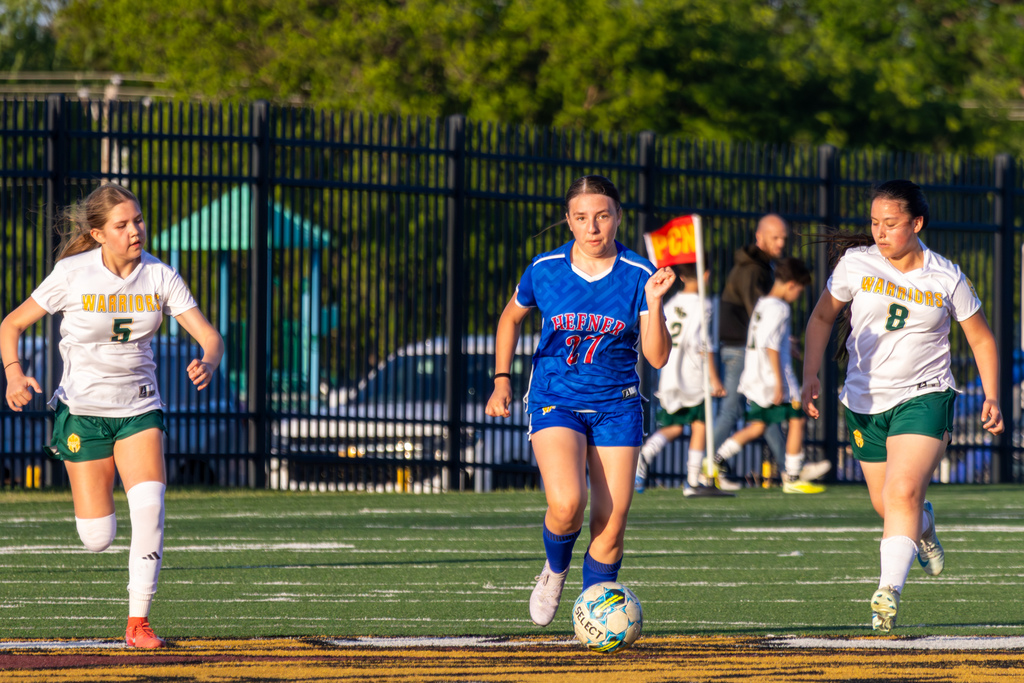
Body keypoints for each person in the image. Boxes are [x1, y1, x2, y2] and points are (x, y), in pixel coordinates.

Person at [1, 183, 224, 648]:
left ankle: (138, 621)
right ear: (99, 234)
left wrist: (208, 359)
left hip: (140, 408)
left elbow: (211, 337)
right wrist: (15, 375)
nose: (135, 231)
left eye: (138, 220)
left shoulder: (160, 275)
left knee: (151, 509)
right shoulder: (72, 273)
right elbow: (11, 325)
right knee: (97, 536)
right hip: (82, 413)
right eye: (122, 225)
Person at [801, 179, 1004, 632]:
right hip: (865, 401)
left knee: (901, 494)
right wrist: (810, 374)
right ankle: (925, 527)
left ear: (917, 224)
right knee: (887, 502)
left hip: (926, 395)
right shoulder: (856, 264)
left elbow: (981, 337)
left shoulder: (946, 275)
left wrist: (992, 394)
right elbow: (820, 317)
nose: (880, 232)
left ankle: (886, 593)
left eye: (890, 224)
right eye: (874, 223)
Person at [484, 175, 675, 627]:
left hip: (618, 405)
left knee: (612, 521)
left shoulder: (640, 274)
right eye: (582, 218)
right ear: (568, 221)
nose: (593, 228)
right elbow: (509, 319)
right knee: (568, 503)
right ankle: (554, 570)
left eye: (603, 216)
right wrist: (501, 379)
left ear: (618, 218)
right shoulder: (545, 269)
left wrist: (655, 303)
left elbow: (657, 356)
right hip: (557, 398)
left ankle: (594, 614)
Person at [713, 257, 824, 494]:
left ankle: (715, 458)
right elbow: (770, 346)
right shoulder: (780, 308)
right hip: (770, 378)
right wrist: (779, 384)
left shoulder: (762, 304)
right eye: (800, 290)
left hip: (754, 376)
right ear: (792, 284)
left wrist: (788, 347)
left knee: (758, 426)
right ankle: (793, 477)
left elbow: (766, 340)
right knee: (797, 418)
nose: (798, 295)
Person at [632, 260, 730, 497]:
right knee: (700, 424)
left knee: (674, 425)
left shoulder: (671, 302)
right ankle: (693, 479)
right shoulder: (705, 305)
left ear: (682, 277)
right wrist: (715, 379)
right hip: (694, 375)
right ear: (706, 275)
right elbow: (705, 345)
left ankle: (645, 455)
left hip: (669, 373)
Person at [712, 214, 790, 484]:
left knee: (764, 411)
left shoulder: (760, 266)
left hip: (744, 348)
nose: (781, 243)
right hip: (739, 350)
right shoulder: (753, 269)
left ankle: (788, 470)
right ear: (760, 238)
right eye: (775, 238)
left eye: (783, 238)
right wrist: (777, 339)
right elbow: (757, 310)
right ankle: (704, 464)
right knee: (732, 410)